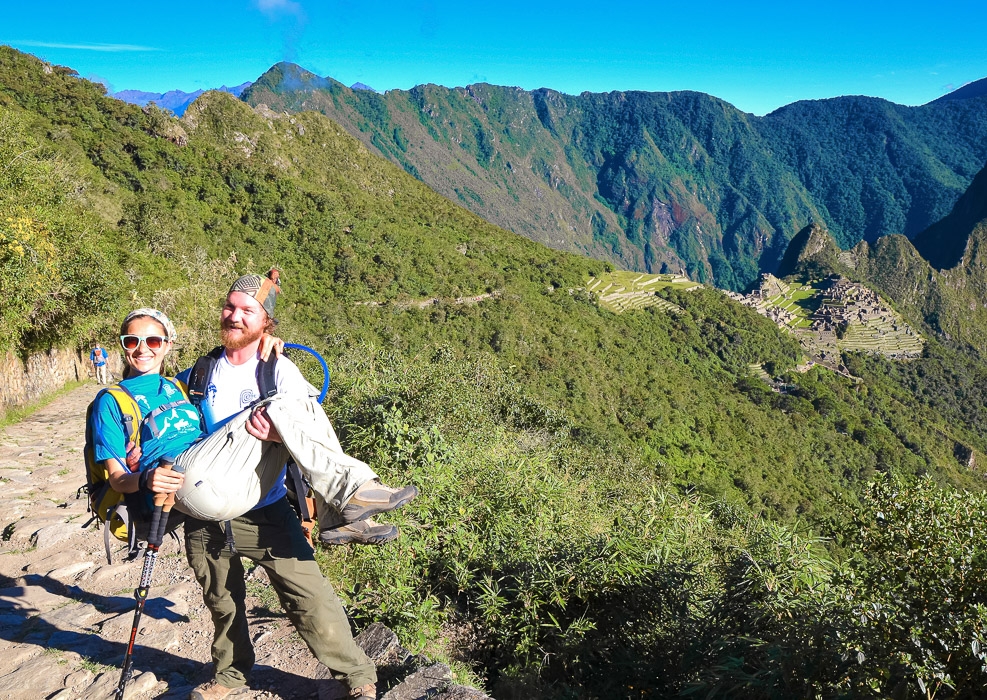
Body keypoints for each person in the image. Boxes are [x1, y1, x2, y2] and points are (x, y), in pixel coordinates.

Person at [90, 299, 413, 700]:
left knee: (310, 595)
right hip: (199, 506)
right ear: (122, 345)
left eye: (153, 339)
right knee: (222, 600)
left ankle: (357, 677)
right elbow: (118, 475)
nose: (143, 348)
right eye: (132, 340)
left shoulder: (207, 378)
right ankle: (229, 676)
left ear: (168, 344)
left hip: (264, 504)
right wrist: (144, 475)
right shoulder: (184, 380)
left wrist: (271, 354)